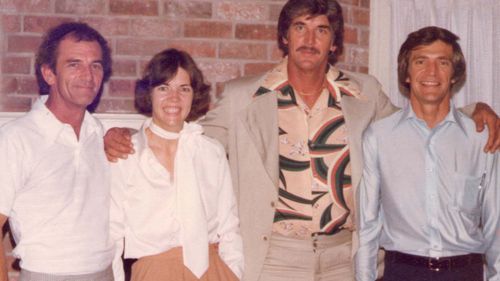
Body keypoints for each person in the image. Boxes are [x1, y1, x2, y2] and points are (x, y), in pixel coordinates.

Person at [104, 1, 500, 280]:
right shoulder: (245, 96)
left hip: (344, 255)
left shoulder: (362, 93)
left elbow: (414, 126)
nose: (310, 39)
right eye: (300, 27)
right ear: (284, 37)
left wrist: (473, 113)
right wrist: (126, 135)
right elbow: (186, 136)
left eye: (321, 30)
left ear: (334, 42)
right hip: (275, 254)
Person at [355, 26, 499, 281]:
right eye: (420, 61)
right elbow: (368, 224)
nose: (431, 72)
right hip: (402, 273)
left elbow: (496, 224)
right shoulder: (379, 137)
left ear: (454, 74)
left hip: (466, 274)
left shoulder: (481, 138)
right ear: (406, 73)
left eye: (442, 62)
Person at [110, 48, 243, 281]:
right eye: (164, 88)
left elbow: (230, 227)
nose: (174, 98)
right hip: (153, 270)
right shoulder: (126, 154)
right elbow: (112, 234)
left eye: (184, 89)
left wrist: (234, 274)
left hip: (213, 270)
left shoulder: (211, 152)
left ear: (194, 95)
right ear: (149, 93)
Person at [0, 22, 115, 281]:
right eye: (74, 64)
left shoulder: (98, 133)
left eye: (95, 65)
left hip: (104, 273)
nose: (88, 75)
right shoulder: (16, 138)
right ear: (49, 73)